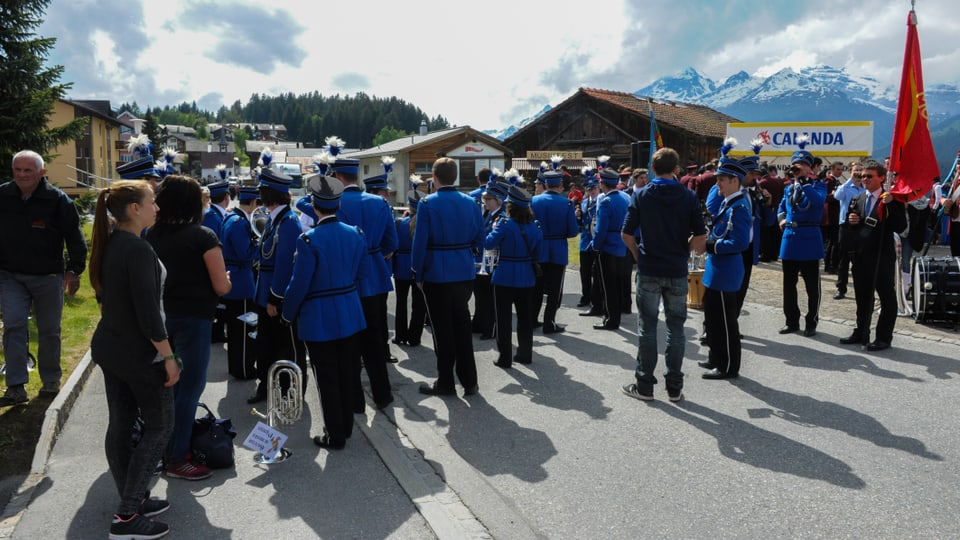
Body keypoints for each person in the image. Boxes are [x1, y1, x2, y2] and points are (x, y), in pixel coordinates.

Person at [88, 180, 178, 539]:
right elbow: (148, 315)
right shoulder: (136, 248)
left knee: (122, 425)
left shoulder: (114, 242)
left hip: (114, 349)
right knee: (159, 427)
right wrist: (169, 356)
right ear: (135, 209)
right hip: (138, 354)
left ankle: (132, 499)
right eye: (151, 201)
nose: (156, 207)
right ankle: (126, 517)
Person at [146, 175, 231, 480]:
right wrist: (228, 279)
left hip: (161, 318)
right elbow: (222, 286)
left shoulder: (150, 234)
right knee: (189, 389)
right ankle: (177, 456)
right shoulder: (203, 236)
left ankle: (162, 449)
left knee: (168, 388)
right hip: (194, 319)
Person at [283, 174, 366, 450]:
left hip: (320, 318)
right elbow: (358, 272)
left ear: (314, 206)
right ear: (338, 204)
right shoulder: (355, 233)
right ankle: (346, 427)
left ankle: (335, 434)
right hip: (350, 311)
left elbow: (299, 284)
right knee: (346, 373)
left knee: (327, 378)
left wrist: (287, 313)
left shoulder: (308, 240)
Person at [0, 150, 87, 406]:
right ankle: (15, 386)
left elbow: (75, 236)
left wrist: (74, 269)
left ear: (41, 172)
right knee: (14, 326)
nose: (22, 175)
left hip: (48, 276)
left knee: (49, 330)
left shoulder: (57, 200)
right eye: (18, 169)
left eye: (28, 170)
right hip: (10, 275)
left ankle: (50, 380)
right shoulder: (3, 195)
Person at [620, 147, 706, 402]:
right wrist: (683, 250)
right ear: (676, 169)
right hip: (676, 269)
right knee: (676, 328)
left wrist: (638, 255)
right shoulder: (688, 196)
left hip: (649, 268)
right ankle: (674, 387)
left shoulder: (642, 195)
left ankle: (645, 385)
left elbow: (626, 234)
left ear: (653, 169)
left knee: (647, 328)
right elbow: (700, 236)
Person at [330, 141, 397, 411]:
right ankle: (382, 395)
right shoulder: (379, 203)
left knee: (349, 343)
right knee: (375, 340)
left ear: (337, 177)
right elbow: (392, 243)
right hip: (376, 276)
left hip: (347, 279)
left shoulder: (333, 203)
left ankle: (356, 400)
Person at [412, 157, 484, 397]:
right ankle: (470, 381)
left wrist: (418, 273)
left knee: (442, 331)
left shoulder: (428, 203)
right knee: (462, 326)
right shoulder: (471, 202)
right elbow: (480, 239)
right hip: (464, 271)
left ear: (434, 177)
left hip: (436, 272)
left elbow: (420, 243)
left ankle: (446, 382)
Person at [247, 168, 308, 405]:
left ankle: (290, 392)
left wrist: (275, 298)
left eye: (262, 190)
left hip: (276, 297)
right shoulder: (275, 220)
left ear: (270, 194)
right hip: (264, 294)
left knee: (288, 348)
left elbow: (285, 265)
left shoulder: (289, 222)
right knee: (266, 346)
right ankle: (266, 386)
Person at [839, 161, 906, 351]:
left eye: (869, 176)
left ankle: (884, 337)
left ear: (882, 178)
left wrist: (890, 206)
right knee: (862, 296)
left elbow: (900, 226)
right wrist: (851, 221)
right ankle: (861, 330)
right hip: (861, 256)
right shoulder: (858, 197)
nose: (865, 179)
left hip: (882, 256)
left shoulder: (892, 199)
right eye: (862, 176)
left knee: (886, 297)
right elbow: (851, 227)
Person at [698, 158, 751, 380]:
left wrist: (712, 245)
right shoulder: (726, 203)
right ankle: (715, 355)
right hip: (716, 268)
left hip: (727, 269)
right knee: (711, 315)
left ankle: (728, 365)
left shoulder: (739, 207)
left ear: (734, 180)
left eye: (721, 180)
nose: (717, 184)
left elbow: (740, 242)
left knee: (725, 321)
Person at [485, 184, 542, 368]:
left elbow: (489, 243)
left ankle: (505, 357)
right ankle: (525, 354)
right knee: (525, 319)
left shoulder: (504, 224)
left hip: (504, 276)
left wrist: (490, 228)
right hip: (526, 275)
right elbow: (538, 252)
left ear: (510, 205)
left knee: (503, 319)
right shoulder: (535, 226)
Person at [777, 138, 827, 337]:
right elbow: (781, 207)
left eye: (803, 165)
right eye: (796, 165)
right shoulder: (789, 188)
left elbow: (818, 203)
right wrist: (781, 219)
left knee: (812, 287)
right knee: (788, 286)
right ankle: (791, 321)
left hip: (809, 240)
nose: (798, 168)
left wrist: (805, 184)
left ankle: (811, 322)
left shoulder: (818, 186)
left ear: (810, 168)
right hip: (790, 240)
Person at [531, 163, 578, 333]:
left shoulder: (534, 200)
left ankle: (532, 319)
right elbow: (573, 232)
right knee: (555, 289)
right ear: (560, 185)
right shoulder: (566, 203)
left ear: (545, 184)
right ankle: (549, 322)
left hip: (539, 247)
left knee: (536, 286)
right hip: (558, 248)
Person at [220, 185, 261, 379]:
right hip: (241, 282)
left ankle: (237, 367)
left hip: (235, 279)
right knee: (244, 328)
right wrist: (260, 245)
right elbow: (245, 253)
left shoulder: (231, 218)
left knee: (236, 330)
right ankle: (244, 369)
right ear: (253, 202)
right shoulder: (239, 222)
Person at [591, 168, 630, 331]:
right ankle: (617, 313)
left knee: (608, 286)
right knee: (621, 283)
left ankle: (611, 319)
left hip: (609, 246)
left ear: (602, 184)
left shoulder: (606, 202)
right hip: (624, 245)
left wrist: (595, 246)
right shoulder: (626, 197)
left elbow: (600, 230)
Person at [472, 181, 508, 339]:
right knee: (480, 294)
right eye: (485, 198)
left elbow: (492, 240)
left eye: (489, 199)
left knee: (489, 297)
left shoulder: (501, 217)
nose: (486, 201)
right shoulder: (488, 214)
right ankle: (479, 323)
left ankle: (490, 327)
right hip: (482, 260)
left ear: (498, 199)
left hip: (493, 261)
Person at [393, 191, 427, 347]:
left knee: (401, 303)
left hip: (401, 265)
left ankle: (400, 335)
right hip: (418, 266)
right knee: (418, 304)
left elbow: (394, 244)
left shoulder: (400, 223)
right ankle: (414, 337)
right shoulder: (424, 223)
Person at [202, 179, 231, 344]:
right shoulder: (212, 217)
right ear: (227, 197)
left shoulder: (214, 214)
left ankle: (218, 331)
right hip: (214, 263)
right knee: (217, 302)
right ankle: (215, 333)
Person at [833, 162, 865, 299]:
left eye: (860, 171)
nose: (858, 173)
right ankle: (841, 288)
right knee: (844, 259)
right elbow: (837, 196)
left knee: (860, 259)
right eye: (855, 171)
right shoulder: (845, 187)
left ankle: (861, 288)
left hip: (860, 226)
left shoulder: (865, 189)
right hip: (845, 226)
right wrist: (850, 180)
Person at [575, 171, 600, 311]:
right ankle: (585, 296)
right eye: (589, 189)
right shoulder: (584, 203)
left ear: (598, 188)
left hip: (596, 240)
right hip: (585, 241)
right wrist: (577, 216)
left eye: (594, 188)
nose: (592, 191)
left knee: (596, 272)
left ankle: (596, 298)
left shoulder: (601, 202)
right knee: (584, 271)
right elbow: (580, 223)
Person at [822, 161, 845, 274]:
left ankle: (832, 264)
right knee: (833, 242)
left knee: (834, 242)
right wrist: (835, 194)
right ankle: (830, 265)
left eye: (841, 170)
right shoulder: (828, 181)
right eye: (838, 169)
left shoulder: (836, 181)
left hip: (835, 215)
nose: (840, 172)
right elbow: (824, 197)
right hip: (830, 216)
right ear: (831, 169)